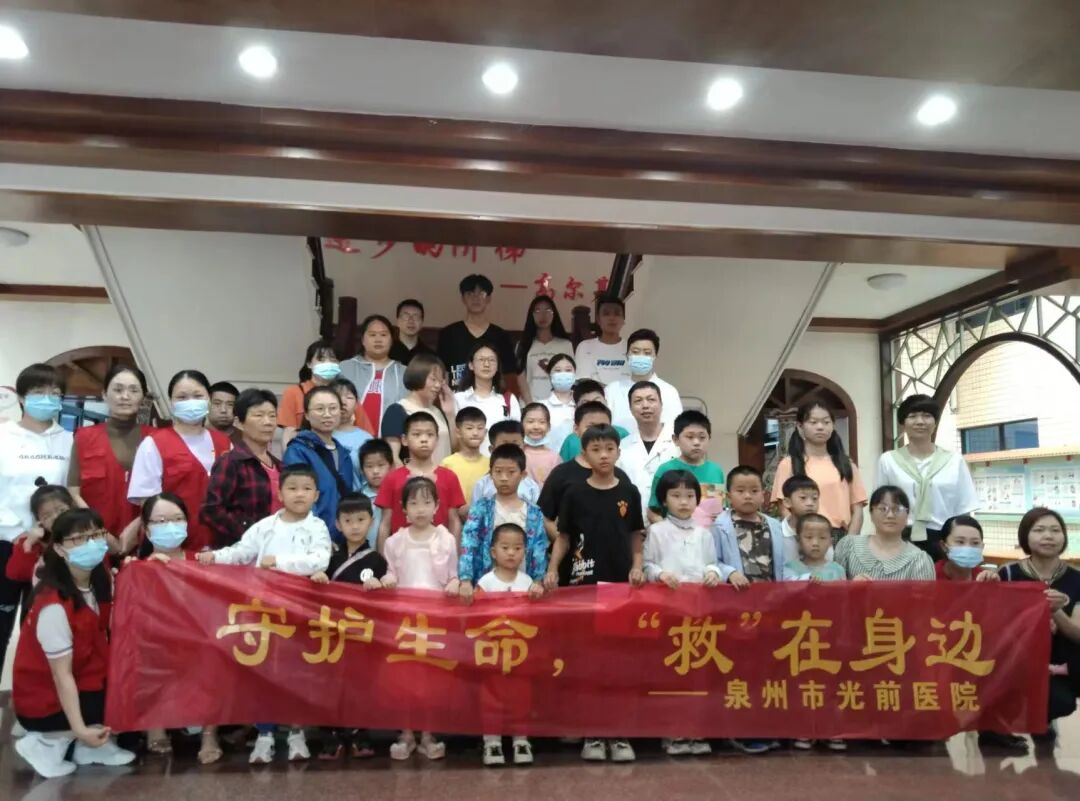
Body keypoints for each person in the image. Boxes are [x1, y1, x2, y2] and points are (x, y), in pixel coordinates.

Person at [196, 463, 332, 764]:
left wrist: (278, 562)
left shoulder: (317, 527)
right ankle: (265, 734)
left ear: (316, 495)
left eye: (306, 489)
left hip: (299, 612)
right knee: (263, 673)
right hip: (263, 612)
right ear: (280, 493)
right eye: (292, 488)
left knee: (297, 673)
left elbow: (320, 559)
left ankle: (296, 733)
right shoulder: (265, 526)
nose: (299, 494)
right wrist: (214, 557)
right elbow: (241, 552)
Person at [546, 423, 644, 763]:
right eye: (596, 450)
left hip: (618, 586)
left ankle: (619, 733)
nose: (603, 455)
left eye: (609, 449)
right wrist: (551, 570)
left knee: (616, 662)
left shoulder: (629, 491)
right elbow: (564, 537)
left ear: (618, 452)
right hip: (582, 585)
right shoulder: (574, 493)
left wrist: (637, 565)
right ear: (584, 455)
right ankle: (593, 732)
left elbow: (635, 535)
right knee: (588, 662)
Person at [12, 509, 136, 778]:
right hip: (44, 701)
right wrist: (80, 728)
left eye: (96, 535)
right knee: (120, 706)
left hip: (86, 678)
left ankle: (87, 747)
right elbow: (61, 675)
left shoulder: (97, 582)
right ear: (59, 548)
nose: (91, 544)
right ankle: (47, 742)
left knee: (133, 690)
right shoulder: (53, 604)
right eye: (79, 539)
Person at [134, 492, 222, 762]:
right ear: (146, 528)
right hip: (159, 644)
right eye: (161, 521)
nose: (170, 526)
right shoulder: (137, 569)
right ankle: (155, 725)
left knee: (217, 651)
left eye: (177, 519)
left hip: (200, 641)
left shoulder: (203, 562)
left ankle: (209, 734)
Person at [380, 476, 460, 761]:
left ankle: (427, 734)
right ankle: (406, 734)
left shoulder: (446, 539)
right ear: (403, 508)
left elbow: (453, 575)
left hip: (435, 620)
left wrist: (454, 583)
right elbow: (391, 573)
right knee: (405, 679)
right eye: (413, 503)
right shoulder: (394, 542)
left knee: (431, 679)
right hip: (404, 621)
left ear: (437, 506)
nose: (420, 509)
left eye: (427, 502)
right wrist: (387, 580)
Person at [643, 470, 720, 757]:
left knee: (698, 673)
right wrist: (660, 574)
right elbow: (647, 565)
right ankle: (673, 731)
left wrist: (712, 573)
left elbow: (712, 563)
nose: (684, 502)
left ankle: (698, 730)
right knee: (671, 674)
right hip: (669, 614)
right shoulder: (657, 531)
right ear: (664, 500)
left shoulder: (703, 534)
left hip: (699, 614)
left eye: (689, 496)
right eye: (676, 496)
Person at [0, 363, 72, 670]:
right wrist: (16, 531)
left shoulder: (69, 440)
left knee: (40, 628)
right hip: (6, 543)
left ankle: (33, 694)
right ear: (21, 397)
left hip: (50, 547)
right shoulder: (4, 435)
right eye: (39, 392)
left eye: (54, 393)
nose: (47, 398)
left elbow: (71, 492)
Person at [712, 464, 786, 755]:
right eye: (740, 490)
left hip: (770, 610)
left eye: (754, 490)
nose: (747, 496)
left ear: (764, 495)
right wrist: (729, 572)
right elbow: (711, 561)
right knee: (738, 670)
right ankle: (739, 730)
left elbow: (782, 565)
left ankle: (766, 726)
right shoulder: (719, 526)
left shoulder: (775, 525)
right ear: (728, 495)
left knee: (766, 670)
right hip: (735, 611)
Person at [310, 493, 387, 761]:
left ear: (371, 522)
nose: (355, 526)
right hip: (331, 632)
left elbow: (388, 600)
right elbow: (314, 591)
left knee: (360, 685)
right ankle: (330, 736)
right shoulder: (328, 558)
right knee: (329, 684)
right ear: (338, 524)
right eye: (348, 520)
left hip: (362, 633)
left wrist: (381, 585)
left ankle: (359, 734)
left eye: (361, 520)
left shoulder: (377, 560)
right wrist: (318, 577)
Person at [125, 370, 231, 554]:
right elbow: (149, 505)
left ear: (208, 399)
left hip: (220, 549)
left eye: (197, 396)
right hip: (173, 549)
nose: (190, 402)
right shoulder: (153, 444)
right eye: (182, 397)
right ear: (171, 402)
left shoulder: (224, 443)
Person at [999, 508, 1080, 740]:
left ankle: (1042, 718)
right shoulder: (1008, 574)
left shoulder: (1076, 578)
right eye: (1039, 530)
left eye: (1055, 530)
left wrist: (1056, 612)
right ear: (1026, 535)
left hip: (1060, 664)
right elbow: (995, 626)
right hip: (1017, 662)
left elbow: (1077, 634)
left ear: (1064, 537)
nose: (1048, 536)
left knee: (1060, 702)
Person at [473, 523, 543, 766]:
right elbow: (476, 618)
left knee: (521, 697)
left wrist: (538, 594)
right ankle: (491, 742)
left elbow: (537, 618)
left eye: (517, 548)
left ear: (524, 551)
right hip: (491, 654)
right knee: (490, 697)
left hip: (520, 654)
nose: (511, 553)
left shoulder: (528, 582)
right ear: (493, 552)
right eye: (505, 548)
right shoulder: (485, 583)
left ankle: (520, 739)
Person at [876, 394, 979, 560]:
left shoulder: (954, 461)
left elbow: (964, 509)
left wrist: (963, 546)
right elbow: (880, 507)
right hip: (900, 538)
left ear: (935, 422)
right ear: (902, 423)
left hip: (944, 540)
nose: (920, 421)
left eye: (926, 416)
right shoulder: (888, 460)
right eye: (912, 416)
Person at [783, 512, 847, 752]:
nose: (815, 543)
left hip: (830, 640)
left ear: (831, 540)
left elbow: (845, 603)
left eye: (822, 538)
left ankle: (832, 730)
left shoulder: (838, 570)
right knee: (802, 685)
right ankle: (805, 728)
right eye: (809, 537)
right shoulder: (789, 569)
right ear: (798, 540)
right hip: (800, 640)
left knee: (831, 686)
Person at [69, 364, 152, 538]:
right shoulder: (84, 437)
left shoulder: (156, 439)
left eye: (134, 390)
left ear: (143, 397)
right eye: (118, 389)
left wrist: (136, 528)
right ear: (104, 394)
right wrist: (101, 532)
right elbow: (73, 492)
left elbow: (164, 494)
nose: (125, 396)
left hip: (147, 535)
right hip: (93, 536)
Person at [458, 444, 547, 604]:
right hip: (487, 586)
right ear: (490, 474)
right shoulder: (480, 509)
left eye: (511, 472)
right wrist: (465, 580)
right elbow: (468, 544)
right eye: (498, 472)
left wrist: (538, 580)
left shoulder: (533, 513)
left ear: (523, 475)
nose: (504, 478)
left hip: (523, 587)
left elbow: (539, 549)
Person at [539, 402, 633, 544]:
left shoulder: (620, 476)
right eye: (590, 427)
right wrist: (567, 545)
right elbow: (545, 517)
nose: (597, 433)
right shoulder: (561, 474)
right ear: (576, 429)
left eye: (603, 427)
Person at [771, 402, 868, 540]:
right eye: (813, 422)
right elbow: (783, 507)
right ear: (800, 426)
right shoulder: (789, 464)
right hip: (803, 535)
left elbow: (857, 509)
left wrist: (849, 542)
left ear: (833, 426)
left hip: (840, 535)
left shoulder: (846, 464)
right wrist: (798, 536)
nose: (820, 427)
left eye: (826, 422)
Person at [201, 388, 283, 548]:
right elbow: (211, 510)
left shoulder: (280, 466)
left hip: (276, 550)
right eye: (258, 415)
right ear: (239, 422)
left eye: (272, 416)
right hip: (241, 551)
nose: (267, 422)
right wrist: (253, 533)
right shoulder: (231, 462)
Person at [375, 412, 466, 552]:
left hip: (439, 554)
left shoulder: (449, 477)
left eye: (430, 435)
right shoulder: (392, 478)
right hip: (401, 555)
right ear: (404, 440)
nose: (424, 440)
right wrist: (383, 561)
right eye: (417, 434)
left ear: (437, 439)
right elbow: (385, 524)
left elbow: (454, 521)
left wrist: (454, 556)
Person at [283, 386, 356, 543]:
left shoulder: (344, 454)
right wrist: (319, 537)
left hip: (343, 539)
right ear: (307, 415)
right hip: (311, 540)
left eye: (333, 408)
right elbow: (300, 500)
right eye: (320, 409)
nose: (327, 414)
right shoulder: (298, 450)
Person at [280, 340, 374, 448]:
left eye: (333, 359)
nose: (328, 363)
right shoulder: (293, 392)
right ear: (309, 364)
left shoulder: (347, 395)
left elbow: (366, 433)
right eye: (321, 359)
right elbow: (288, 433)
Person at [833, 486, 935, 581]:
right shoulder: (848, 546)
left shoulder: (919, 560)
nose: (890, 515)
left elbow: (925, 595)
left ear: (907, 515)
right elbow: (832, 590)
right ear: (871, 513)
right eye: (883, 509)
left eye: (897, 509)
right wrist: (851, 587)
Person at [438, 274, 517, 391]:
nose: (476, 298)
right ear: (463, 299)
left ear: (489, 298)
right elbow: (442, 372)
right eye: (470, 294)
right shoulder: (448, 334)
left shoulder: (501, 336)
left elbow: (509, 375)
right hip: (456, 397)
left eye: (481, 293)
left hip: (492, 397)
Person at [647, 410, 725, 527]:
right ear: (675, 440)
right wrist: (670, 531)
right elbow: (653, 511)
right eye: (690, 437)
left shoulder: (716, 470)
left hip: (710, 535)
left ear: (709, 438)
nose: (696, 442)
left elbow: (721, 510)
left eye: (702, 437)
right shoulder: (665, 469)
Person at [617, 381, 681, 518]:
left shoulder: (678, 443)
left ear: (661, 404)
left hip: (672, 522)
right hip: (633, 522)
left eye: (651, 399)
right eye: (638, 401)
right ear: (630, 408)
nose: (645, 405)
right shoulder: (622, 447)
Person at [380, 352, 457, 465]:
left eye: (440, 381)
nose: (438, 385)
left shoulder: (438, 411)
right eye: (433, 379)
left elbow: (455, 449)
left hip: (444, 473)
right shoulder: (397, 410)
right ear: (418, 376)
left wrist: (450, 414)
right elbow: (393, 458)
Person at [6, 484, 74, 605]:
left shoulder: (87, 532)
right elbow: (16, 574)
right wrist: (28, 544)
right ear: (39, 521)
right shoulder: (34, 542)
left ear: (73, 508)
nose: (56, 517)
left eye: (61, 510)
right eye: (46, 516)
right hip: (46, 604)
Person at [339, 314, 407, 435]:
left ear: (391, 340)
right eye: (372, 335)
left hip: (391, 442)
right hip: (348, 438)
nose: (378, 339)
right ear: (363, 340)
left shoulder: (404, 372)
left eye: (383, 335)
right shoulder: (344, 368)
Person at [605, 329, 683, 431]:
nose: (640, 357)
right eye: (635, 352)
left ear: (655, 356)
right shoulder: (612, 389)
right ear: (627, 355)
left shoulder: (669, 391)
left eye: (647, 353)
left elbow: (675, 429)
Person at [454, 340, 522, 455]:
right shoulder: (458, 399)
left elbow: (516, 437)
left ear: (497, 366)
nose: (486, 364)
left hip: (501, 462)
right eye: (481, 360)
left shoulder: (508, 400)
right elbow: (454, 440)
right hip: (468, 462)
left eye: (491, 360)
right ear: (471, 365)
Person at [516, 295, 574, 404]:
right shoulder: (523, 345)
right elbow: (520, 377)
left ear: (554, 314)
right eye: (537, 311)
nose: (543, 315)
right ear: (531, 315)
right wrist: (530, 405)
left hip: (559, 404)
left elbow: (571, 376)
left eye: (548, 310)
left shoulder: (565, 345)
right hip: (529, 403)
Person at [557, 379, 630, 461]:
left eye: (597, 401)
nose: (593, 406)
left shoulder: (622, 434)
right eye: (586, 403)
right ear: (576, 407)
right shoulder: (571, 441)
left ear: (606, 402)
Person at [471, 421, 542, 504]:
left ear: (523, 447)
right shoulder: (482, 485)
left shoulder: (531, 487)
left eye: (516, 446)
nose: (510, 450)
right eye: (504, 446)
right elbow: (475, 510)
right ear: (492, 449)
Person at [574, 294, 630, 385]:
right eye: (606, 313)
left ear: (623, 319)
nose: (612, 318)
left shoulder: (631, 348)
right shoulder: (584, 347)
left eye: (617, 314)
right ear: (598, 320)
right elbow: (582, 381)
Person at [441, 407, 490, 505]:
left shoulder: (490, 464)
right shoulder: (447, 464)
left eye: (480, 428)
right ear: (458, 432)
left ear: (485, 433)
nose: (475, 433)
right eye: (469, 428)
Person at [331, 377, 374, 483]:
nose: (343, 402)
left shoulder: (366, 439)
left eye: (349, 397)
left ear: (356, 404)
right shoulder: (319, 435)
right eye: (337, 396)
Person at [778, 475, 829, 564]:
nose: (810, 503)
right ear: (787, 502)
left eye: (814, 498)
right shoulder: (777, 533)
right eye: (803, 498)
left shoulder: (823, 531)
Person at [936, 515, 998, 583]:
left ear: (982, 547)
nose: (968, 548)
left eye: (975, 543)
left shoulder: (983, 578)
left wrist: (993, 586)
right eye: (960, 542)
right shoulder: (931, 576)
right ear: (943, 546)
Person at [358, 438, 393, 550]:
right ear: (362, 470)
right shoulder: (358, 497)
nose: (375, 471)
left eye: (381, 465)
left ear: (391, 466)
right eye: (369, 466)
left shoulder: (398, 494)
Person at [541, 353, 577, 450]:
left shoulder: (582, 404)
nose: (563, 374)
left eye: (568, 370)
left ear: (575, 374)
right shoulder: (541, 406)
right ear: (550, 375)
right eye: (558, 370)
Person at [521, 402, 559, 487]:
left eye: (542, 422)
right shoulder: (517, 453)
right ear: (521, 424)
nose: (536, 427)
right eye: (530, 422)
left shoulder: (554, 457)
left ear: (548, 427)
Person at [389, 298, 436, 365]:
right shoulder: (386, 351)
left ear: (422, 322)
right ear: (398, 321)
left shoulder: (431, 357)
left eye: (416, 316)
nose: (411, 321)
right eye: (406, 316)